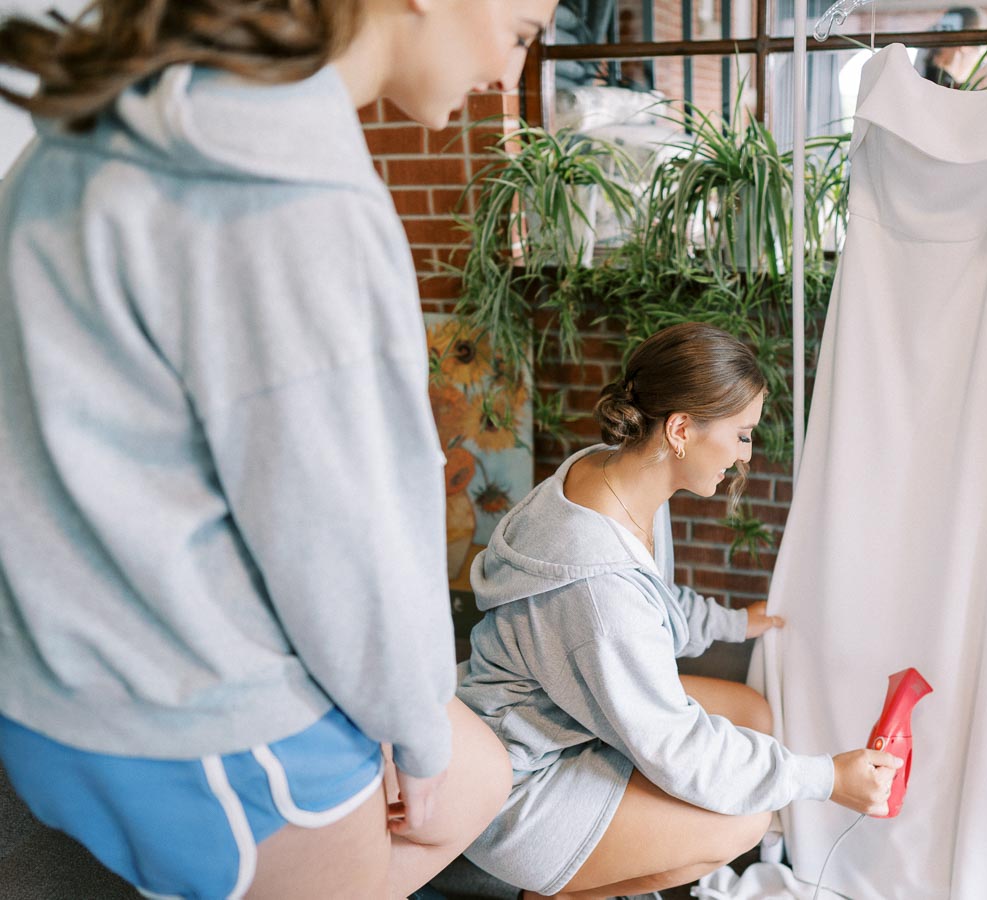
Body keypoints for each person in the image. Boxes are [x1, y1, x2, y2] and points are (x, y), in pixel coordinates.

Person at [0, 1, 555, 897]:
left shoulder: (115, 112)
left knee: (481, 766)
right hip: (189, 721)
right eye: (522, 31)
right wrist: (411, 734)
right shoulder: (287, 191)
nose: (508, 73)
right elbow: (343, 536)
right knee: (459, 776)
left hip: (49, 683)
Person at [456, 322, 902, 899]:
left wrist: (736, 623)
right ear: (682, 429)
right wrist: (825, 777)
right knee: (743, 821)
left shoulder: (613, 472)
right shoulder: (596, 585)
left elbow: (654, 605)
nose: (745, 456)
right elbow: (676, 746)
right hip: (522, 784)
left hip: (572, 714)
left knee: (750, 710)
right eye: (742, 435)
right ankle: (554, 893)